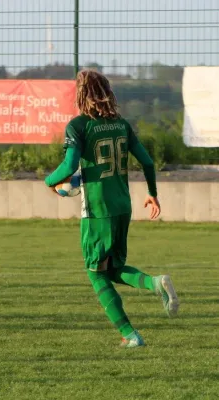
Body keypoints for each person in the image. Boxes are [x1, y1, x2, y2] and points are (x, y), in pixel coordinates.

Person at [44, 70, 179, 348]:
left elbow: (69, 167)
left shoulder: (78, 126)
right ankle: (155, 283)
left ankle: (130, 335)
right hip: (122, 208)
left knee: (96, 274)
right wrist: (152, 194)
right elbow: (148, 163)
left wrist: (48, 181)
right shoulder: (121, 124)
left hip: (97, 212)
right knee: (112, 268)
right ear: (107, 91)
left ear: (80, 95)